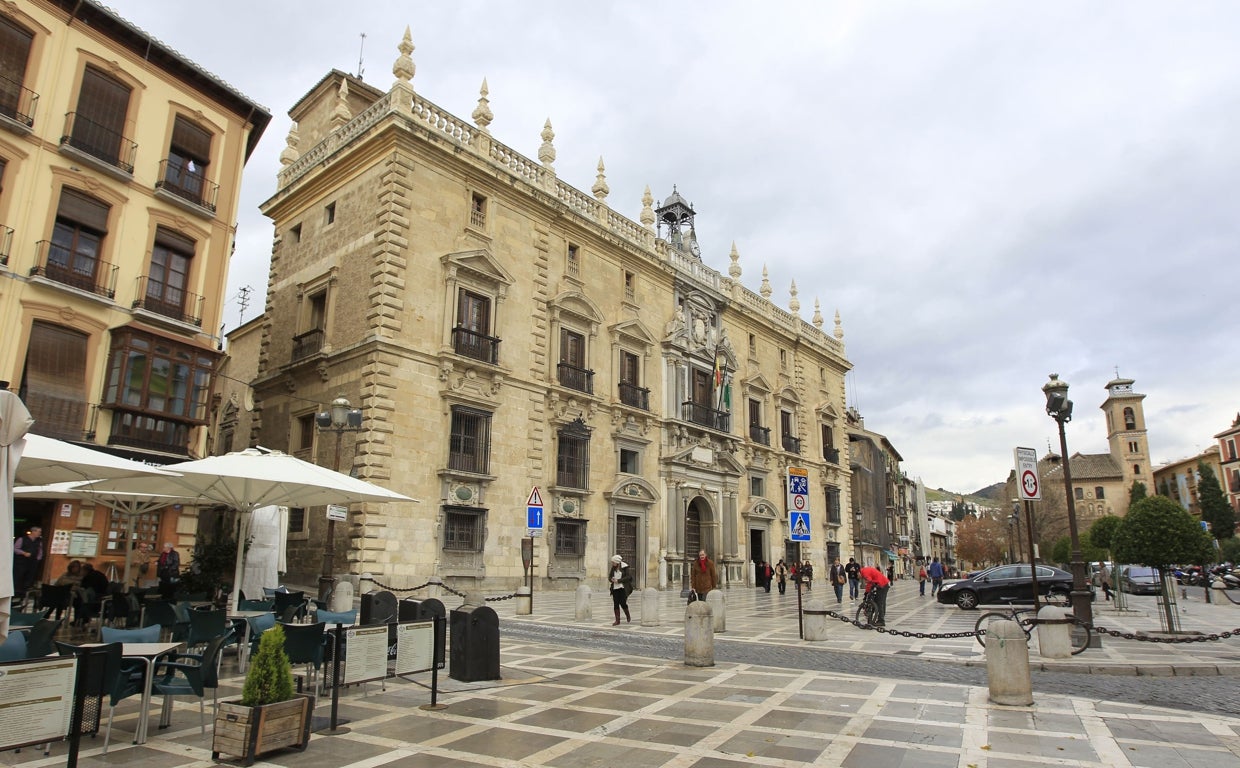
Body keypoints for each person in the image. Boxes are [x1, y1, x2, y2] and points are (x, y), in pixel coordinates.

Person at [12, 525, 44, 600]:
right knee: (19, 577)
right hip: (21, 562)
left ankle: (24, 594)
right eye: (39, 531)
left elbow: (40, 551)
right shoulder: (22, 539)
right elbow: (15, 548)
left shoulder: (39, 541)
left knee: (29, 578)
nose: (40, 533)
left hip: (32, 563)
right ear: (33, 531)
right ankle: (16, 593)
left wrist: (38, 559)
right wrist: (23, 553)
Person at [608, 554, 634, 625]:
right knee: (616, 603)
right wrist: (612, 579)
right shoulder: (613, 568)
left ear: (617, 562)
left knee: (623, 603)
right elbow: (610, 576)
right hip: (615, 588)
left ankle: (628, 615)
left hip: (623, 588)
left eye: (613, 562)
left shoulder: (625, 567)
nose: (612, 563)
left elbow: (629, 577)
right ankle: (617, 620)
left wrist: (619, 580)